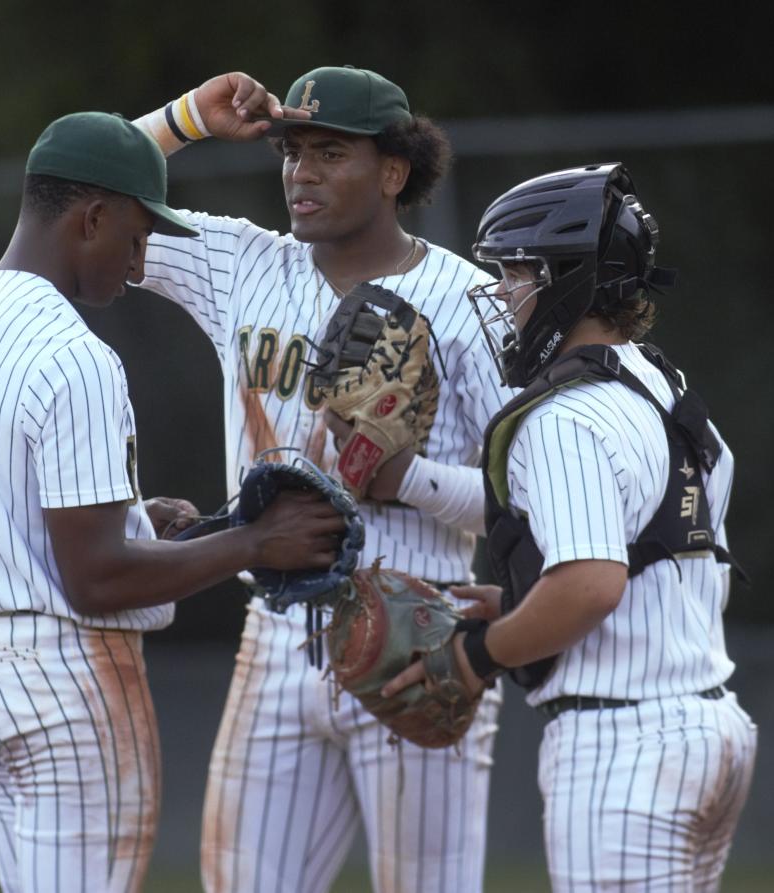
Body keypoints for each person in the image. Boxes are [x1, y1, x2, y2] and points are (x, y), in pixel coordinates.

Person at [0, 111, 346, 893]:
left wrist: (138, 524)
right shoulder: (75, 355)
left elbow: (14, 512)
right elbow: (99, 578)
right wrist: (254, 542)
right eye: (138, 235)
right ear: (93, 218)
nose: (142, 261)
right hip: (56, 681)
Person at [129, 67, 507, 893]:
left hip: (417, 630)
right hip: (274, 635)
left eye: (329, 153)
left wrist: (405, 477)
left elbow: (520, 500)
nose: (300, 172)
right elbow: (89, 192)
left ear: (393, 172)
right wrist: (188, 117)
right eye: (292, 152)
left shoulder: (471, 301)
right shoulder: (240, 261)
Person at [384, 162, 758, 890]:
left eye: (515, 272)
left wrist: (473, 655)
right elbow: (664, 556)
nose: (500, 292)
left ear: (565, 279)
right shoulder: (659, 383)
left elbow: (590, 585)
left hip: (624, 744)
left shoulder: (563, 416)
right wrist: (521, 605)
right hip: (712, 728)